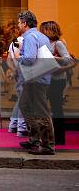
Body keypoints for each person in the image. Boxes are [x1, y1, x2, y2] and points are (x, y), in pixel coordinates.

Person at [16, 11, 55, 155]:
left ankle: (47, 146)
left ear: (25, 23)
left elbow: (30, 59)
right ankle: (35, 139)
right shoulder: (41, 36)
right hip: (39, 78)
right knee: (25, 105)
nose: (18, 25)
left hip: (35, 80)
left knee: (41, 111)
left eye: (19, 23)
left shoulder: (30, 37)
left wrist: (18, 55)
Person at [40, 21, 72, 146]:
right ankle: (50, 135)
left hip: (57, 80)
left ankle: (59, 137)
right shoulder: (47, 44)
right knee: (48, 108)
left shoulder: (58, 43)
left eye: (43, 30)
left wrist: (53, 58)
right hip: (48, 80)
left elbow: (67, 59)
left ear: (49, 30)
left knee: (56, 108)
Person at [6, 36, 28, 137]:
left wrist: (14, 71)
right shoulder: (25, 41)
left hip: (19, 74)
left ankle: (13, 124)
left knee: (20, 100)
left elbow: (8, 61)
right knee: (24, 101)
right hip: (26, 75)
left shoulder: (13, 43)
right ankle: (21, 127)